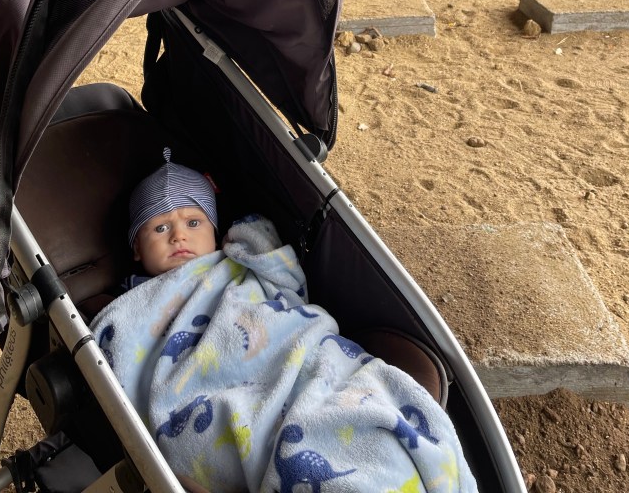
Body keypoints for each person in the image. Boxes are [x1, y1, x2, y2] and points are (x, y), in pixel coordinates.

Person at [93, 149, 479, 493]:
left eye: (194, 222)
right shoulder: (136, 301)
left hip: (294, 352)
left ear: (215, 230)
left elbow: (287, 285)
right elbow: (127, 348)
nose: (179, 235)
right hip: (212, 383)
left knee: (364, 416)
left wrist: (250, 245)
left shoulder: (237, 262)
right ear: (137, 249)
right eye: (160, 228)